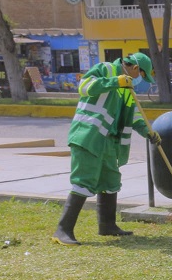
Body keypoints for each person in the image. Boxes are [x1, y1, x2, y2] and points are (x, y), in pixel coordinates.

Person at [52, 52, 161, 246]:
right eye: (142, 75)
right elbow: (84, 87)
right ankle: (63, 230)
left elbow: (134, 115)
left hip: (109, 141)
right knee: (84, 181)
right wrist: (114, 81)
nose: (140, 80)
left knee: (110, 181)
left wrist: (148, 132)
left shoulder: (127, 88)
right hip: (89, 136)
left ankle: (107, 225)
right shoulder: (106, 69)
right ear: (135, 68)